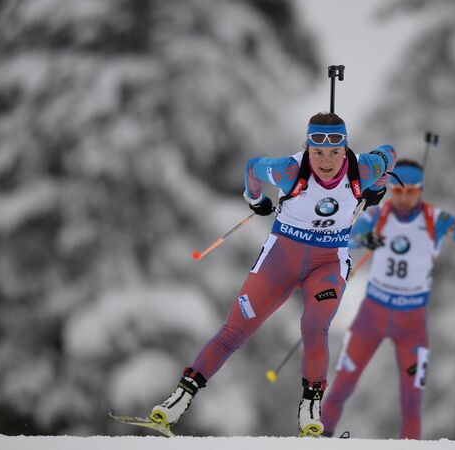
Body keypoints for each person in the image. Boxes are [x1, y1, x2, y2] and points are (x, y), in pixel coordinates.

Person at [149, 112, 396, 437]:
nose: (326, 161)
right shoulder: (289, 170)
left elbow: (389, 153)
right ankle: (178, 400)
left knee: (314, 324)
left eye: (334, 152)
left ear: (345, 148)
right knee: (235, 330)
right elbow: (253, 167)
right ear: (307, 147)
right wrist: (255, 198)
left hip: (328, 264)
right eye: (317, 152)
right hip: (281, 260)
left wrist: (377, 187)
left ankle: (311, 409)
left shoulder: (363, 169)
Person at [320, 158, 455, 439]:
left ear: (420, 190)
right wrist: (365, 240)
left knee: (411, 400)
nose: (403, 198)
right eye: (397, 191)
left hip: (412, 322)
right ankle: (320, 438)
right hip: (372, 316)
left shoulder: (434, 219)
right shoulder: (379, 216)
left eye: (410, 191)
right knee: (341, 385)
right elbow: (345, 238)